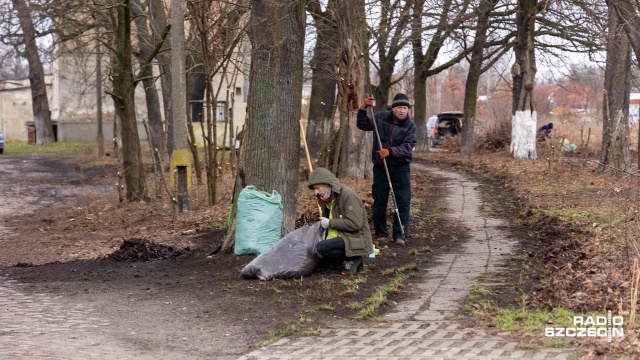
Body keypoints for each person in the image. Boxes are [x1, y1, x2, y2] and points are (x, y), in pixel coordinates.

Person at [357, 93, 417, 246]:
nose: (402, 111)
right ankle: (381, 232)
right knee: (380, 201)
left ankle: (400, 234)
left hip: (401, 168)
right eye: (399, 107)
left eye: (405, 108)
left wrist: (390, 151)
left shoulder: (410, 126)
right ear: (393, 108)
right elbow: (363, 125)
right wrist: (363, 109)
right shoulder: (380, 117)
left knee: (403, 201)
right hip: (381, 168)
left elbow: (408, 147)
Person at [308, 167, 374, 276]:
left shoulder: (347, 195)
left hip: (354, 238)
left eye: (317, 188)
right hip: (341, 237)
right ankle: (342, 261)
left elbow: (355, 224)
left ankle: (354, 259)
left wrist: (330, 223)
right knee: (317, 251)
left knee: (322, 247)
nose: (316, 192)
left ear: (326, 183)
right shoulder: (328, 199)